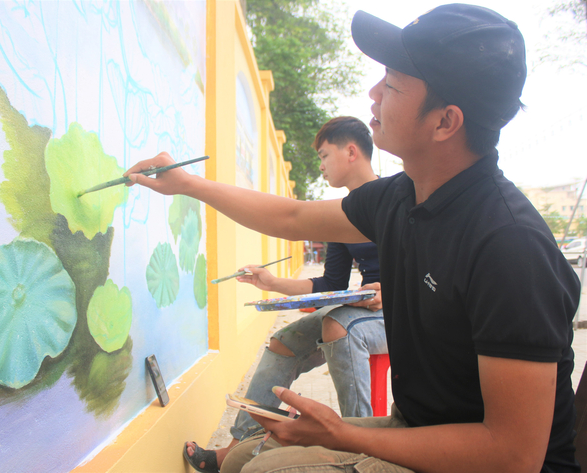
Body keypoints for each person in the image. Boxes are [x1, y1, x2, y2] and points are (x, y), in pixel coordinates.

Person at [125, 4, 582, 472]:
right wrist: (188, 185)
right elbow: (292, 216)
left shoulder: (509, 247)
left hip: (484, 461)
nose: (373, 93)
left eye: (394, 84)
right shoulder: (402, 197)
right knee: (244, 454)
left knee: (264, 470)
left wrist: (342, 432)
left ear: (445, 122)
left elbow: (513, 455)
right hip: (420, 427)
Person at [183, 116, 388, 473]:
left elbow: (434, 267)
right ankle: (234, 448)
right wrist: (271, 282)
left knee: (339, 324)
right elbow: (327, 285)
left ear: (351, 151)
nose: (321, 166)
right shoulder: (340, 215)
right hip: (360, 308)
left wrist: (395, 290)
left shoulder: (397, 201)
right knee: (283, 341)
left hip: (402, 313)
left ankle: (362, 445)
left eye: (324, 156)